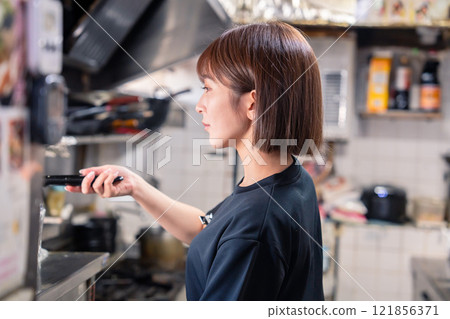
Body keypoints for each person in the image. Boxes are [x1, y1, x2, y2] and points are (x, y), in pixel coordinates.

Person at [66, 21, 324, 301]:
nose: (200, 105)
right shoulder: (290, 179)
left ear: (253, 103)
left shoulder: (256, 224)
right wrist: (135, 186)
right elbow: (208, 230)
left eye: (208, 88)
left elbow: (239, 237)